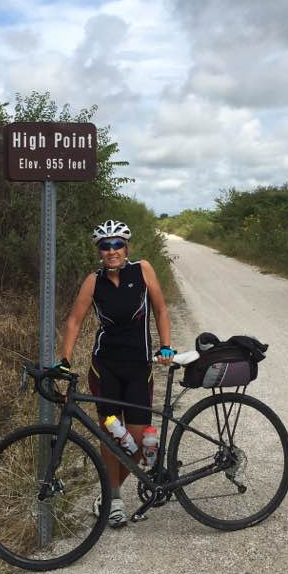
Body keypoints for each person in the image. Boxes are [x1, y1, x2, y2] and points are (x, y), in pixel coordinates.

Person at [55, 219, 175, 528]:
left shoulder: (142, 270)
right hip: (104, 370)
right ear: (99, 251)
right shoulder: (93, 281)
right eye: (105, 246)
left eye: (117, 244)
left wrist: (166, 346)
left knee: (137, 441)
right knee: (111, 437)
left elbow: (161, 309)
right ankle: (113, 498)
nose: (112, 251)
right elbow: (74, 321)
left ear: (126, 248)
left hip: (139, 369)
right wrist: (64, 360)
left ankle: (111, 493)